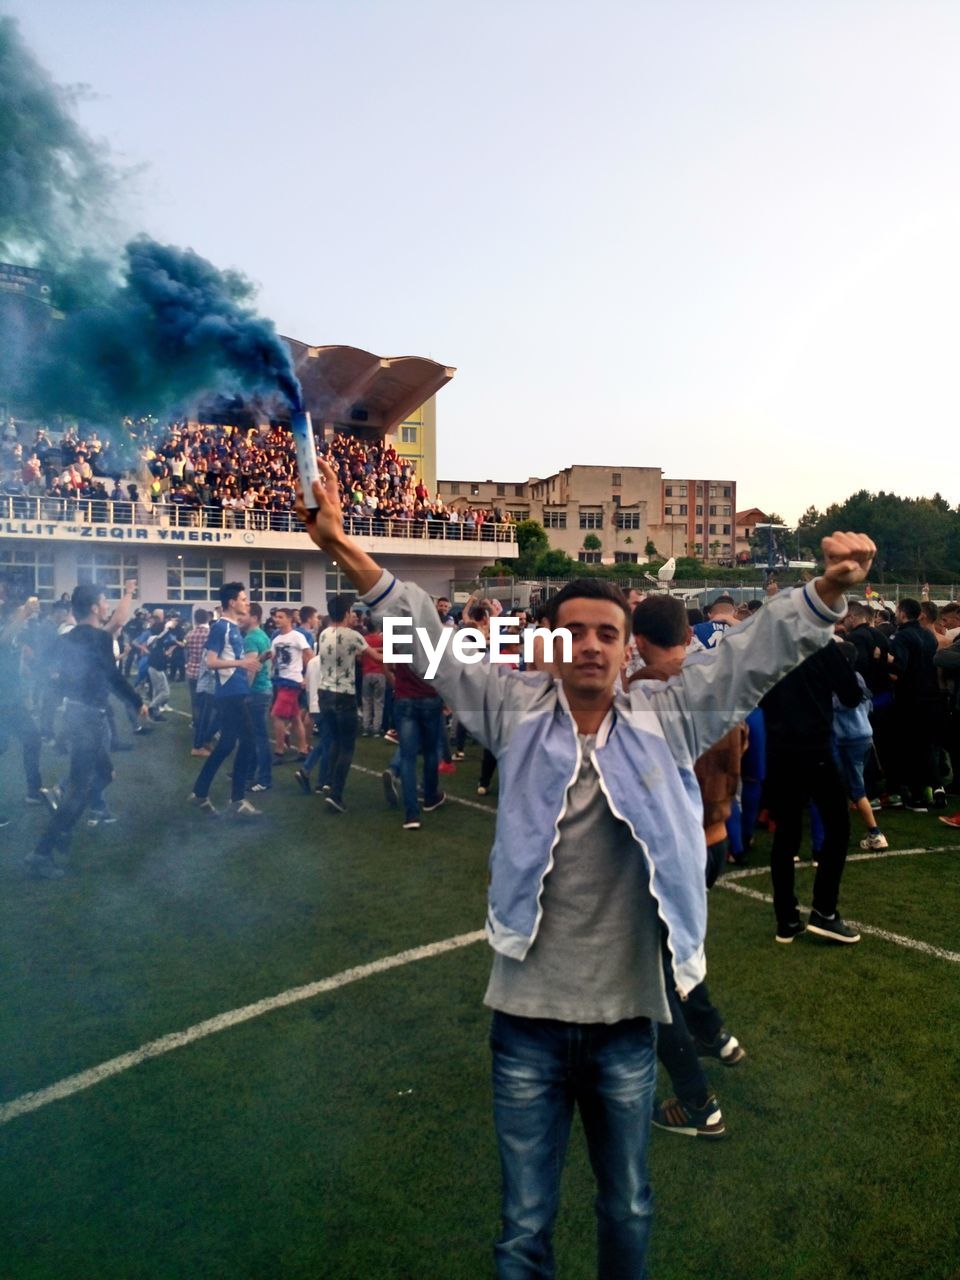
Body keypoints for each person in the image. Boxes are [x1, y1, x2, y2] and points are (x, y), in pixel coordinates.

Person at [294, 461, 875, 1278]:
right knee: (522, 1225)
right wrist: (345, 548)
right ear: (552, 643)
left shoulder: (668, 718)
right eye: (576, 632)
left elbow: (749, 657)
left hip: (627, 1022)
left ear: (627, 644)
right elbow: (426, 637)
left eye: (609, 632)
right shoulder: (513, 710)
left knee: (627, 1204)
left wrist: (825, 592)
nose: (593, 645)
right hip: (525, 1019)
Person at [27, 584, 148, 878]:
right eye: (104, 601)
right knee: (80, 790)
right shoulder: (98, 638)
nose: (106, 605)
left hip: (74, 714)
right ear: (95, 607)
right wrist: (136, 701)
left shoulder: (69, 637)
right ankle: (42, 853)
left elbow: (39, 665)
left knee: (105, 774)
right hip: (89, 719)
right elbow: (112, 676)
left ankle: (64, 823)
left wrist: (61, 685)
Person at [761, 639, 865, 943]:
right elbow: (851, 694)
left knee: (786, 833)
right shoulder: (821, 644)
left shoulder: (769, 646)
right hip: (814, 747)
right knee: (838, 826)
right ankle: (824, 910)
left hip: (778, 748)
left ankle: (787, 919)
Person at [189, 581, 261, 818]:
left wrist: (249, 664)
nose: (246, 603)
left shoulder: (232, 627)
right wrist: (241, 663)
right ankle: (237, 799)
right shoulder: (221, 627)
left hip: (235, 691)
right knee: (249, 740)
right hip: (229, 694)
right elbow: (210, 662)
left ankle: (200, 792)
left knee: (227, 743)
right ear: (232, 602)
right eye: (243, 599)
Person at [311, 594, 367, 813]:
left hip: (325, 693)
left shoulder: (323, 633)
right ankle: (336, 794)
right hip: (344, 695)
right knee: (347, 747)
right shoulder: (352, 635)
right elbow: (376, 657)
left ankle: (328, 782)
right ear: (346, 613)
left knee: (334, 741)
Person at [269, 608, 310, 762]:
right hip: (281, 680)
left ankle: (279, 751)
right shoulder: (276, 639)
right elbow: (273, 658)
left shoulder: (297, 637)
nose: (276, 619)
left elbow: (309, 656)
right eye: (276, 617)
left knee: (276, 715)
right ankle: (303, 749)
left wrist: (306, 677)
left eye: (280, 617)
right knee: (295, 718)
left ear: (289, 619)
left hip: (292, 681)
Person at [243, 603, 274, 792]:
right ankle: (249, 772)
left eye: (244, 614)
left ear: (254, 617)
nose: (240, 617)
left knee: (259, 737)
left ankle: (264, 779)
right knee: (254, 735)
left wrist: (244, 691)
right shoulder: (262, 635)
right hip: (263, 689)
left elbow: (251, 668)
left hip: (256, 691)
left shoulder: (251, 638)